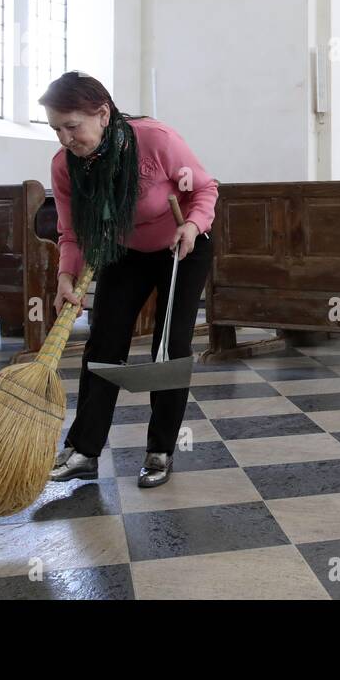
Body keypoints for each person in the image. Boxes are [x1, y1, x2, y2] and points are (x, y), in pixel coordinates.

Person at [41, 71, 218, 488]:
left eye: (72, 127)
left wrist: (192, 226)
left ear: (102, 114)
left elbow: (205, 189)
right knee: (103, 342)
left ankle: (160, 450)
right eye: (56, 129)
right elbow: (71, 231)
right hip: (124, 250)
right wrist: (65, 275)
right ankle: (84, 450)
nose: (66, 139)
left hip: (182, 245)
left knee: (169, 348)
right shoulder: (66, 166)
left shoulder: (155, 141)